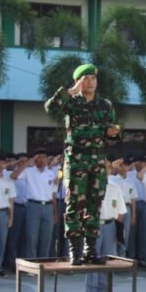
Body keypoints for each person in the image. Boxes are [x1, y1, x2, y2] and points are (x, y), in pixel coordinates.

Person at [43, 63, 120, 265]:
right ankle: (74, 252)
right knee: (74, 205)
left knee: (95, 205)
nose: (90, 82)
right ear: (78, 81)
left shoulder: (105, 105)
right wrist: (70, 92)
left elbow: (110, 132)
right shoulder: (71, 102)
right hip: (76, 159)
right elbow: (50, 107)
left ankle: (90, 251)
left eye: (93, 78)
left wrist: (114, 133)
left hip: (97, 160)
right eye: (85, 79)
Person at [85, 166, 126, 292]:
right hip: (94, 225)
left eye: (108, 167)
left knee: (107, 260)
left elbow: (120, 211)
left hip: (110, 225)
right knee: (92, 259)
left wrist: (119, 232)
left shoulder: (115, 187)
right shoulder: (90, 185)